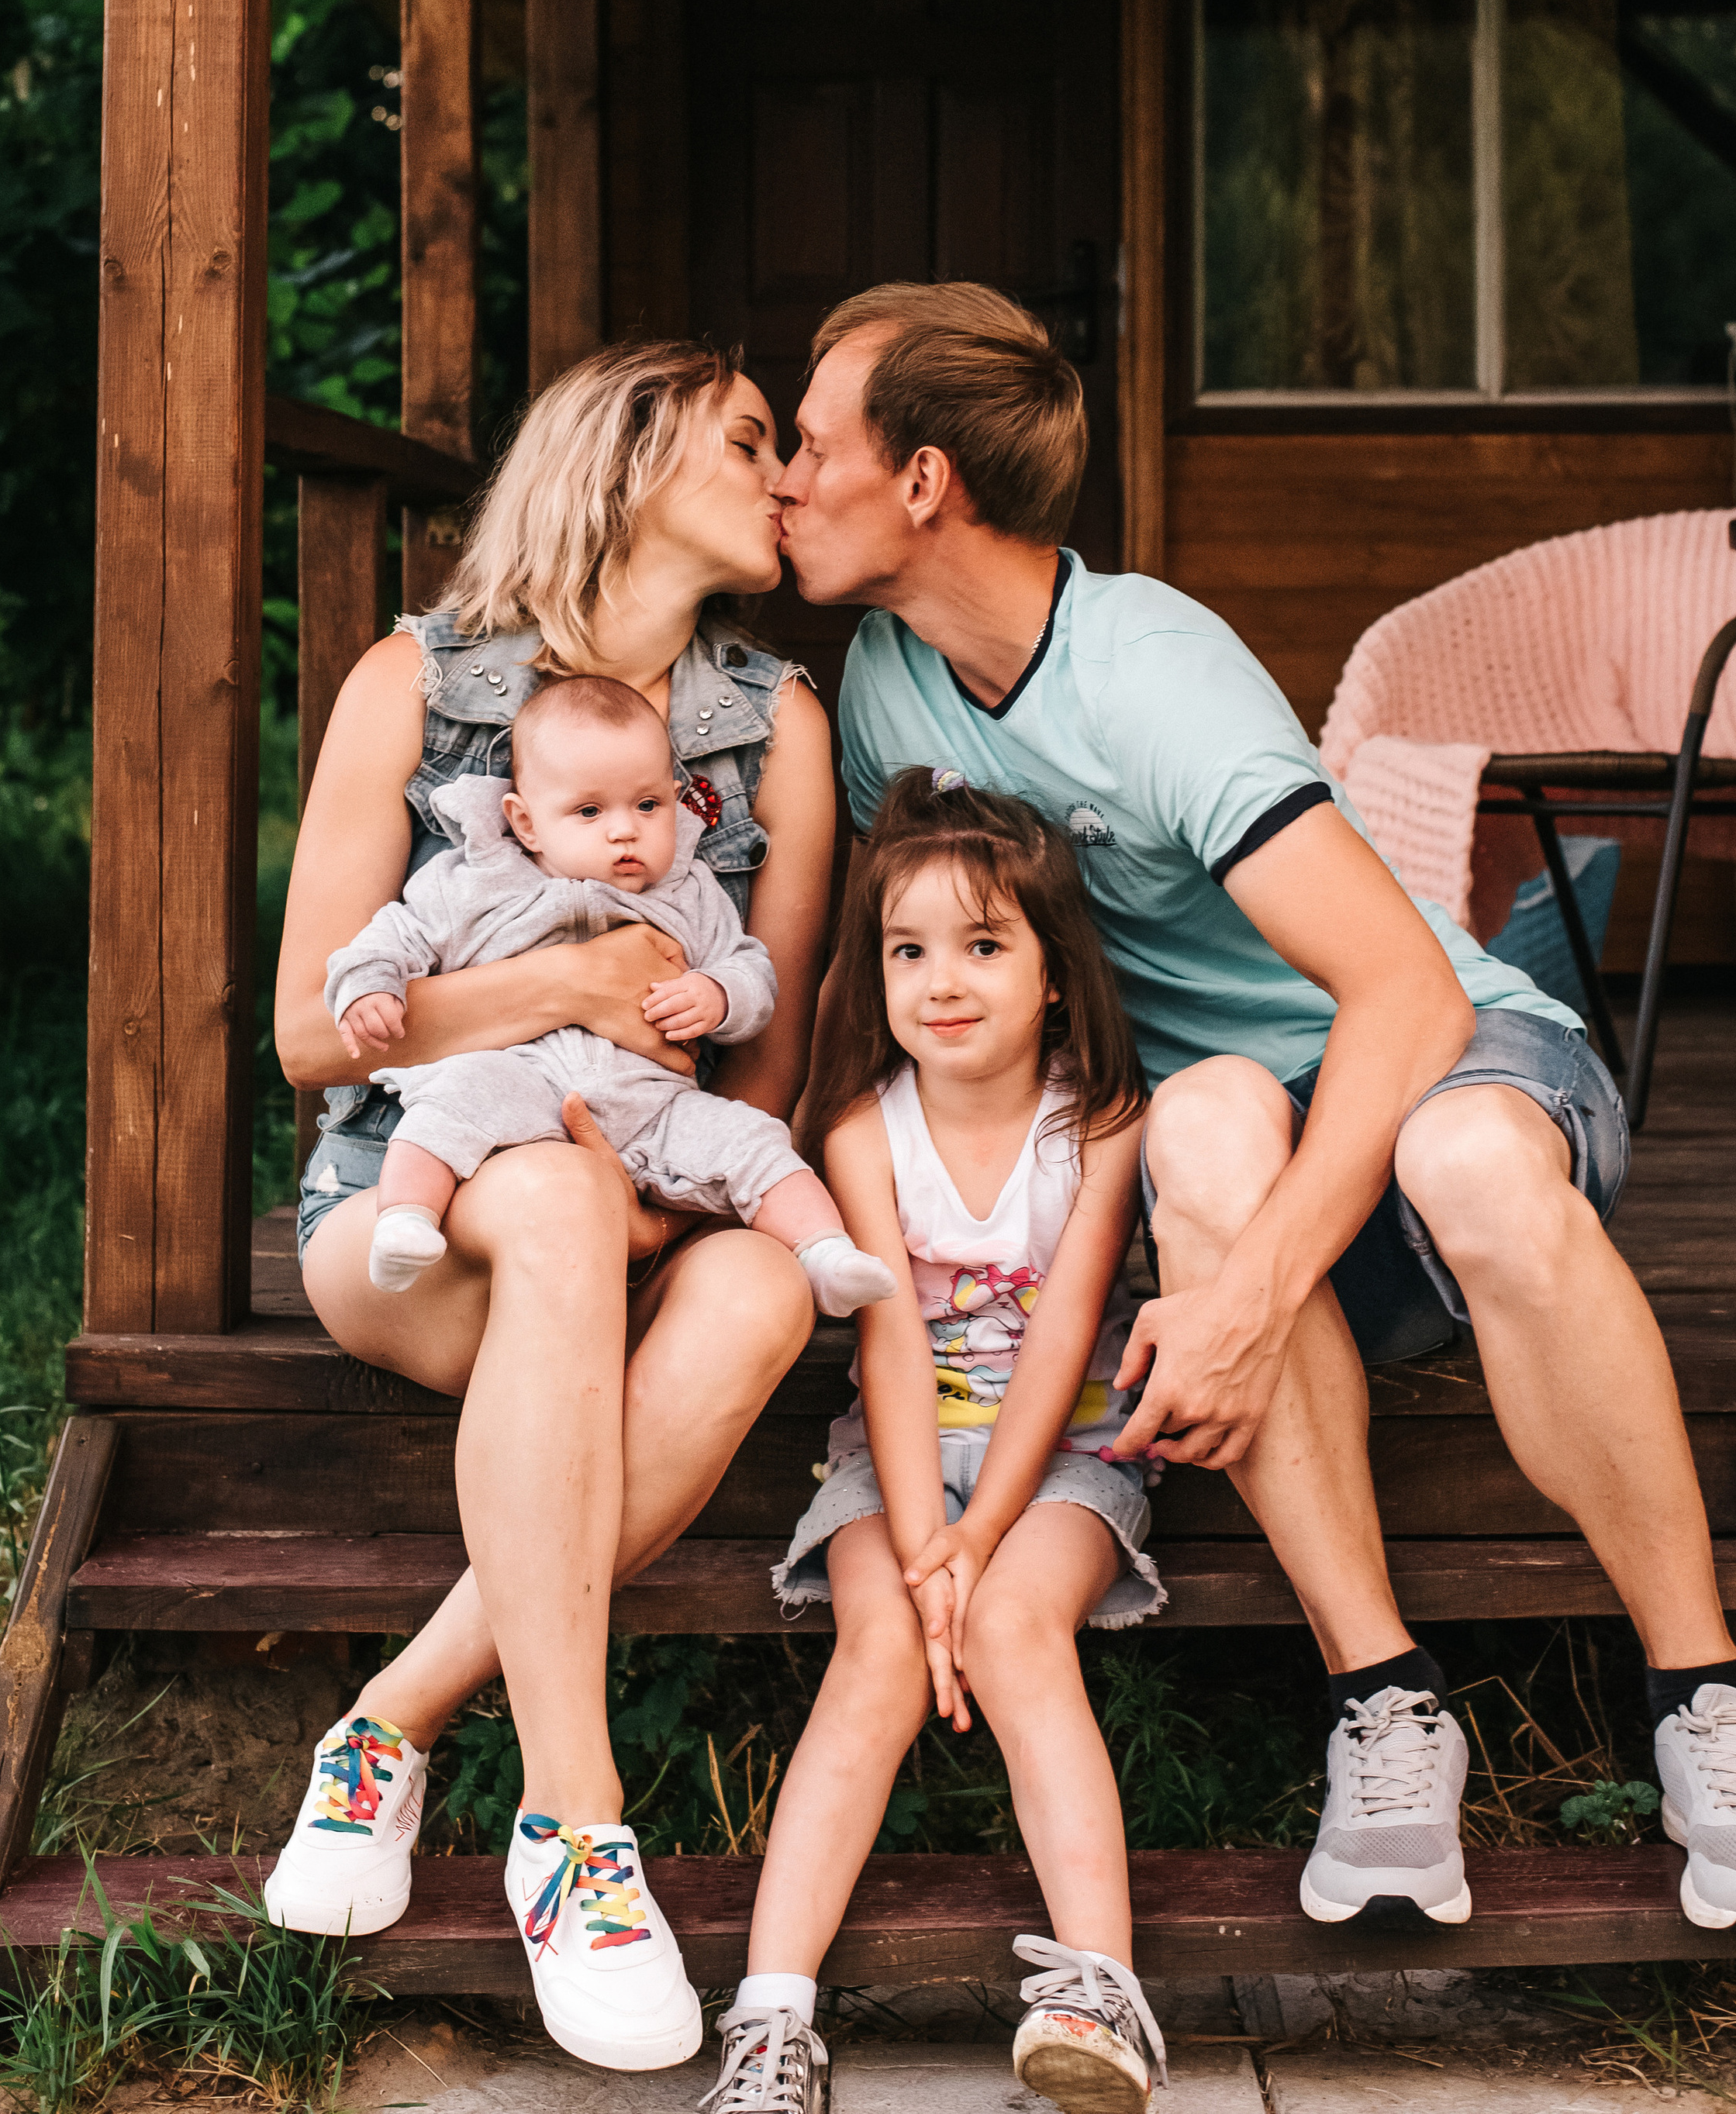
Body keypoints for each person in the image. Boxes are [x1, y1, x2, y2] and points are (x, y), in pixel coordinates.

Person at [775, 280, 1736, 1940]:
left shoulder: (1150, 670)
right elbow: (887, 973)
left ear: (922, 480)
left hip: (1453, 1065)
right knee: (1203, 1118)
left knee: (1466, 1156)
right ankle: (1384, 1701)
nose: (781, 478)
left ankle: (1706, 1694)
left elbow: (1406, 997)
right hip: (1244, 1138)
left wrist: (1243, 1302)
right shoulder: (883, 684)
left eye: (808, 441)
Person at [263, 341, 838, 2075]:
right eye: (749, 441)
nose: (787, 476)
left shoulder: (777, 725)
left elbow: (765, 1068)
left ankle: (386, 1723)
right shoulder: (414, 682)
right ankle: (577, 1830)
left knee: (765, 1290)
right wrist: (564, 988)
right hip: (407, 1204)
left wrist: (663, 1199)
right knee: (566, 1209)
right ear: (631, 458)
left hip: (657, 1193)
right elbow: (310, 1034)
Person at [709, 769, 1166, 2114]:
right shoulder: (862, 1126)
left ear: (1055, 973)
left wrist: (979, 1543)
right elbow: (891, 1342)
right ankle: (772, 2022)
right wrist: (925, 1552)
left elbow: (1066, 1335)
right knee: (878, 1649)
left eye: (982, 944)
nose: (941, 980)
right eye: (908, 949)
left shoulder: (1103, 1121)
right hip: (894, 1455)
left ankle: (1099, 1993)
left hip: (1066, 1448)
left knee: (1016, 1627)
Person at [327, 674, 892, 1316]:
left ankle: (825, 1253)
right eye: (590, 812)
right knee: (446, 1108)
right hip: (517, 1077)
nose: (625, 830)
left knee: (753, 1140)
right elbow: (393, 935)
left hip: (651, 1100)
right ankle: (405, 1222)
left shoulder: (689, 890)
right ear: (526, 822)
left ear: (675, 800)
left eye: (647, 805)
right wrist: (370, 984)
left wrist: (718, 993)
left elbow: (751, 970)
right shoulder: (473, 882)